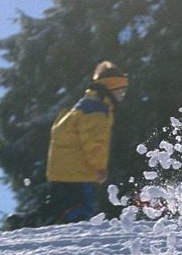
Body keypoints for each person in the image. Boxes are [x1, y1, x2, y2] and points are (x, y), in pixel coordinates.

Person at [44, 61, 129, 223]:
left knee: (58, 207)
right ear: (110, 90)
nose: (122, 97)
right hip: (77, 173)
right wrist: (99, 168)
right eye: (121, 92)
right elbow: (95, 143)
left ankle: (29, 220)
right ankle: (72, 233)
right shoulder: (96, 110)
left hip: (60, 171)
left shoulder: (83, 106)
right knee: (80, 208)